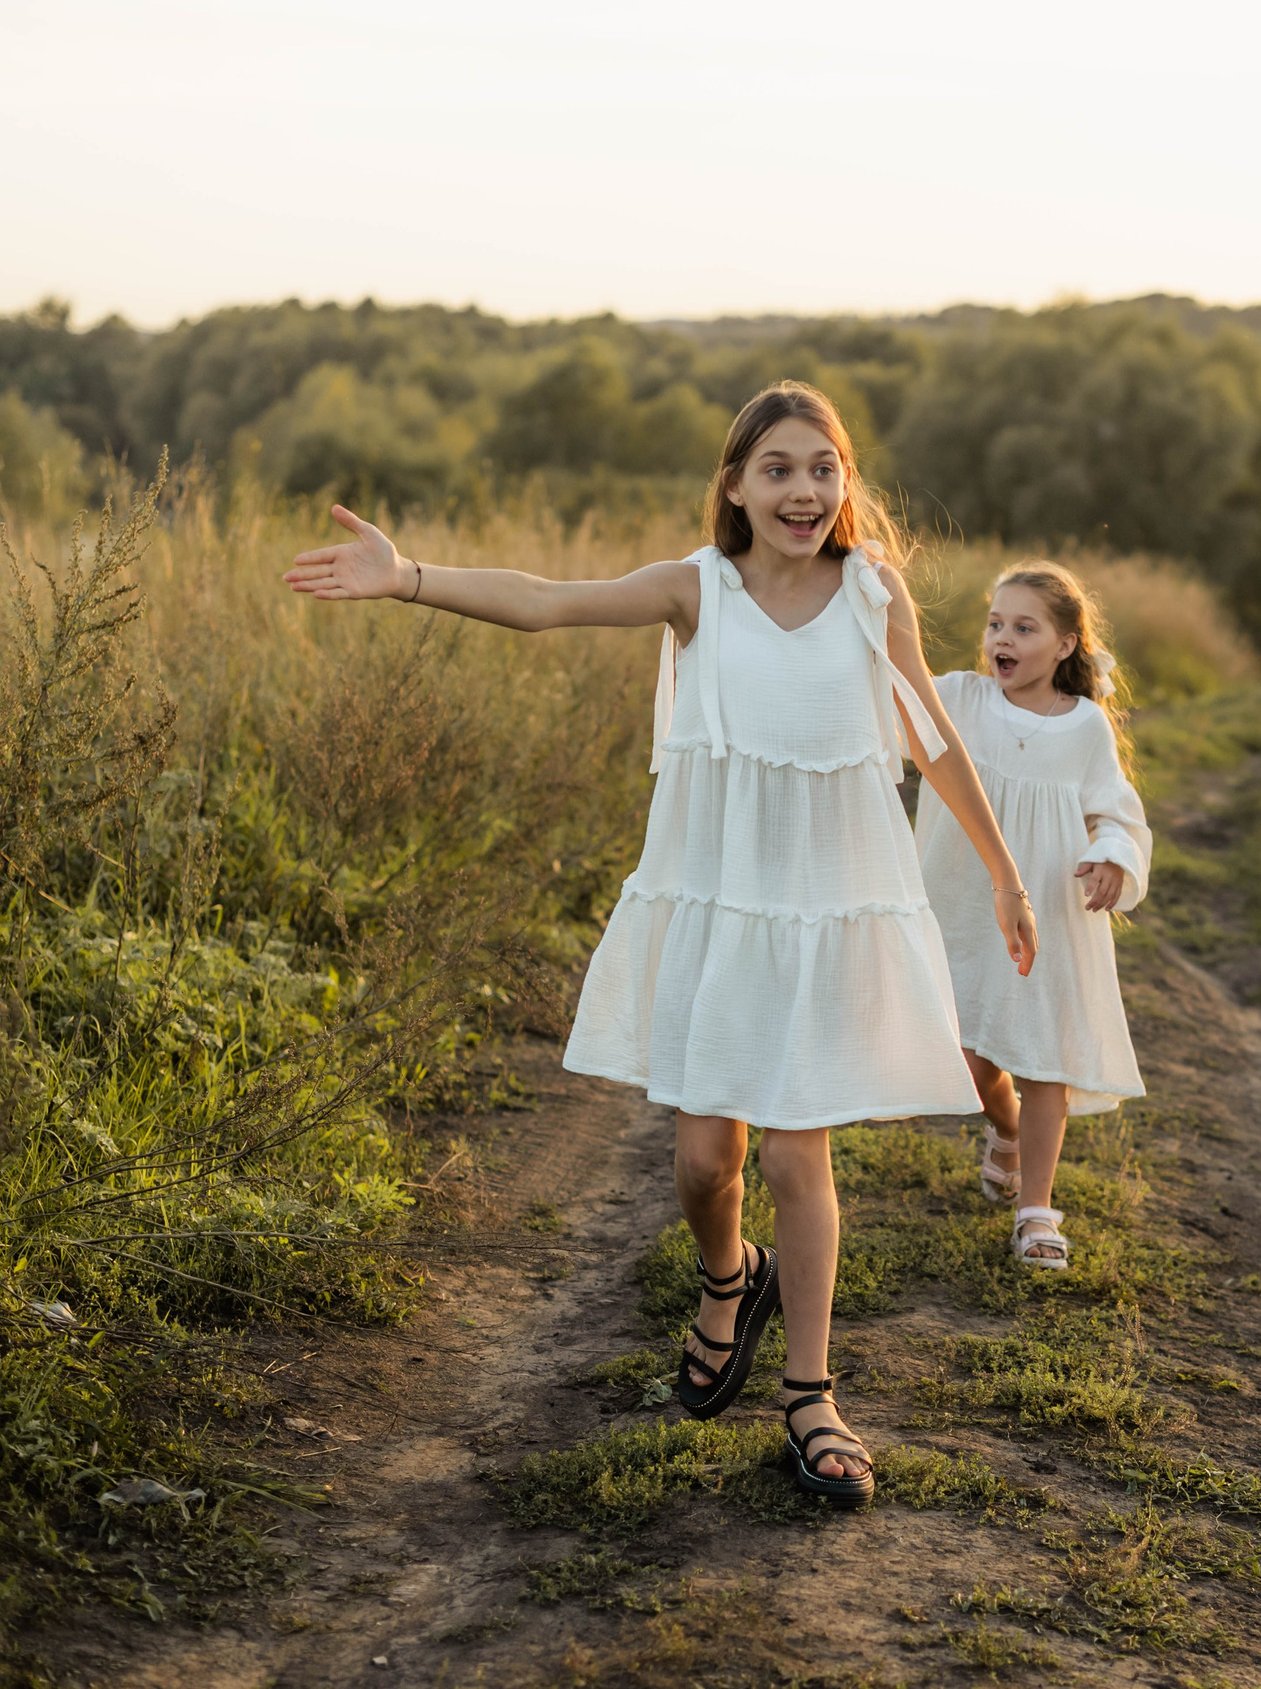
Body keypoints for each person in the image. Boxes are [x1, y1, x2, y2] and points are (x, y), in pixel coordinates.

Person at [283, 382, 1036, 1506]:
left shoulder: (873, 597)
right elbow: (546, 601)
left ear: (846, 486)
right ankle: (730, 1277)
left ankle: (812, 1394)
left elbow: (930, 736)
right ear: (735, 484)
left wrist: (1005, 872)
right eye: (778, 468)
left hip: (825, 911)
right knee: (703, 1163)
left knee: (796, 1154)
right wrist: (408, 578)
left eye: (823, 468)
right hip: (720, 905)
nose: (804, 489)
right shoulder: (700, 591)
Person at [915, 561, 1150, 1270]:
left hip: (1049, 904)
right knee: (971, 1045)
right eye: (994, 623)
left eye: (1023, 626)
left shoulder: (1084, 727)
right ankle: (1007, 1128)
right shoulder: (959, 698)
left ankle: (1036, 1210)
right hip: (961, 899)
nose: (1001, 638)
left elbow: (1116, 811)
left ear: (1066, 644)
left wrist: (1111, 855)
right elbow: (890, 696)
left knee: (1046, 1053)